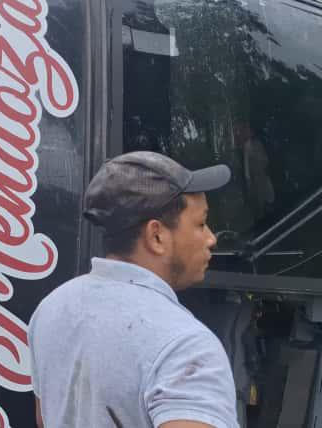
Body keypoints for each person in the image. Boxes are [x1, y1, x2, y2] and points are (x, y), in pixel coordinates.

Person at [28, 151, 239, 428]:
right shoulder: (185, 346)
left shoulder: (52, 308)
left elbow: (45, 419)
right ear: (156, 236)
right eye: (200, 223)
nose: (211, 238)